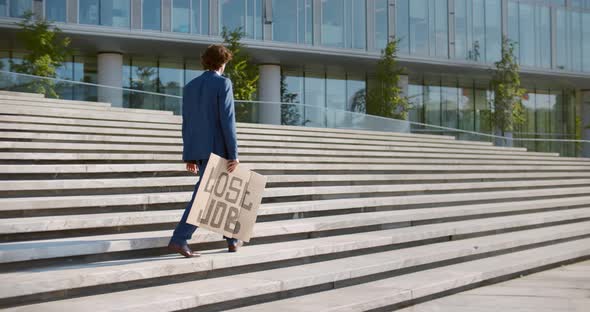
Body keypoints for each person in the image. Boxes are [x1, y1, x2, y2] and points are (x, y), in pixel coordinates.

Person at [168, 44, 241, 258]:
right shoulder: (223, 83)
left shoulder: (190, 86)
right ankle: (180, 239)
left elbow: (187, 122)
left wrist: (189, 154)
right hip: (218, 149)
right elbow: (228, 121)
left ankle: (232, 239)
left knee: (222, 192)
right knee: (205, 195)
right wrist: (233, 154)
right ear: (223, 62)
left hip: (198, 149)